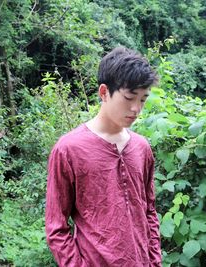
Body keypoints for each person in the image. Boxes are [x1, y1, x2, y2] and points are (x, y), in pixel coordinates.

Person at [45, 47, 162, 267]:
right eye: (129, 97)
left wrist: (155, 261)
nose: (136, 109)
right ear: (104, 92)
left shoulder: (142, 148)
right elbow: (56, 227)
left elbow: (149, 211)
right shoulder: (69, 149)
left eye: (143, 99)